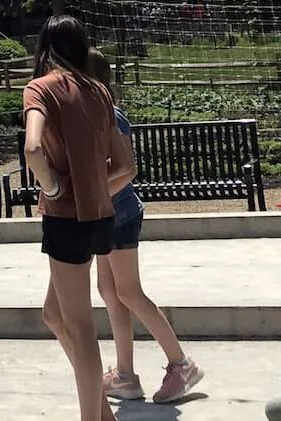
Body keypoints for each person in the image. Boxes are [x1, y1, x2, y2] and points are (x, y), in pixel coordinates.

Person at [23, 15, 133, 421]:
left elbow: (33, 149)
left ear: (45, 47)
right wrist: (91, 186)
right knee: (54, 315)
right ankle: (103, 413)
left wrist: (53, 189)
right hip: (100, 217)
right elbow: (125, 167)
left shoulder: (39, 89)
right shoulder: (99, 91)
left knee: (80, 327)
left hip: (65, 221)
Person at [82, 49, 203, 404]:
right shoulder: (93, 115)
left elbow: (125, 168)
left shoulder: (111, 115)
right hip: (104, 215)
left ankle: (181, 364)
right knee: (110, 291)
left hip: (119, 214)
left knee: (129, 292)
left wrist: (90, 192)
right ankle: (125, 375)